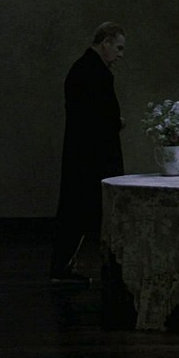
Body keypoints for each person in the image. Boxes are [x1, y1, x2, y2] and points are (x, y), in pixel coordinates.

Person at [50, 22, 126, 284]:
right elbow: (99, 115)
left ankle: (63, 267)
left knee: (75, 210)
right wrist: (116, 122)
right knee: (82, 211)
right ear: (105, 43)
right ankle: (69, 268)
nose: (120, 54)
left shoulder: (82, 69)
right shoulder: (96, 72)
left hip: (82, 154)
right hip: (93, 157)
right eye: (118, 48)